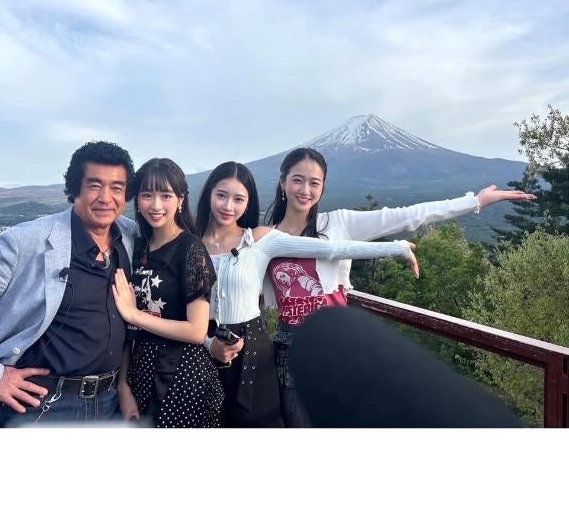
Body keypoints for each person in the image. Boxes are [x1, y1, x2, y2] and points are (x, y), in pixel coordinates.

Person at [263, 147, 538, 427]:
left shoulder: (337, 223)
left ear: (323, 187)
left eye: (314, 182)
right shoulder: (264, 238)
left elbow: (407, 215)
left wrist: (475, 202)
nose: (305, 190)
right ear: (283, 182)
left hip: (340, 346)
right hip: (290, 349)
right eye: (298, 180)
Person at [195, 161, 421, 428]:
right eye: (221, 195)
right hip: (202, 349)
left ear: (248, 203)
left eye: (238, 199)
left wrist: (396, 248)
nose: (228, 206)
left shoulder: (260, 239)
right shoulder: (191, 245)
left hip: (253, 352)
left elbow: (331, 249)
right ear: (209, 194)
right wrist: (208, 343)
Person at [0, 141, 137, 427]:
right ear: (75, 188)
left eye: (116, 187)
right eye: (94, 185)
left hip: (110, 403)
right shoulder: (27, 241)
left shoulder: (128, 236)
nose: (106, 198)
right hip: (42, 406)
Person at [111, 158, 224, 428]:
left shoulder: (190, 249)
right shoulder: (138, 248)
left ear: (180, 199)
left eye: (166, 195)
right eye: (147, 195)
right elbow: (129, 330)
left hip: (183, 378)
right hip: (141, 373)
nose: (156, 205)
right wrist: (123, 385)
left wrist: (134, 315)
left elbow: (196, 331)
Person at [288, 306, 522, 428]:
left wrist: (397, 247)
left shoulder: (326, 332)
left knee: (329, 329)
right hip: (305, 341)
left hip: (322, 343)